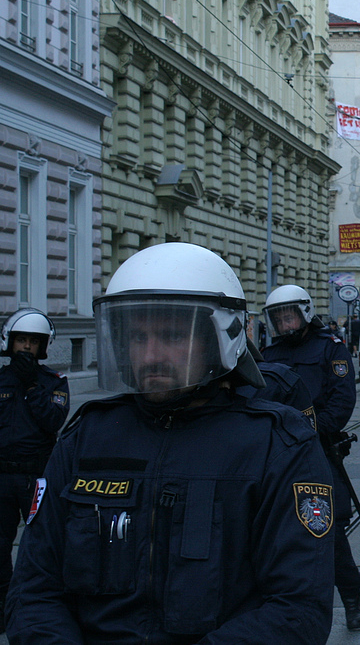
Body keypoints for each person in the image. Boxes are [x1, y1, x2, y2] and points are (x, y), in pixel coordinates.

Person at [5, 242, 335, 643]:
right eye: (138, 336)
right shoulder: (87, 437)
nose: (151, 355)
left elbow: (298, 610)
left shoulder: (276, 444)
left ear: (220, 338)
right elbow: (34, 589)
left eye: (173, 336)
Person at [261, 284, 360, 630]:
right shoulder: (269, 353)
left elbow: (341, 401)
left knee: (328, 531)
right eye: (278, 317)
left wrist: (307, 430)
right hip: (275, 453)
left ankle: (351, 597)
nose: (284, 322)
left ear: (304, 313)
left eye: (289, 314)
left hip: (315, 451)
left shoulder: (329, 348)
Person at [0, 309, 69, 618]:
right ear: (9, 342)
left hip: (36, 478)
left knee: (39, 545)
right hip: (2, 476)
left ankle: (34, 605)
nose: (26, 347)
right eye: (21, 340)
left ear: (43, 347)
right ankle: (4, 605)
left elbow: (52, 420)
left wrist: (30, 387)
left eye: (33, 342)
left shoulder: (54, 383)